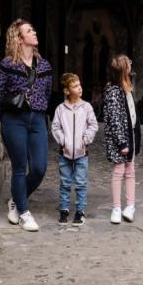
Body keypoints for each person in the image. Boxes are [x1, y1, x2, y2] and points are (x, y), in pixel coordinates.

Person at [0, 19, 53, 232]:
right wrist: (6, 120)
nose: (35, 32)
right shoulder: (8, 65)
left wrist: (38, 110)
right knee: (19, 167)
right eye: (30, 30)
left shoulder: (44, 66)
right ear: (19, 38)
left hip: (37, 120)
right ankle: (24, 214)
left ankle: (16, 201)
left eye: (33, 29)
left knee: (39, 168)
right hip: (14, 120)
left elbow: (46, 93)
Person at [51, 73, 99, 226]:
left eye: (79, 85)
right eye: (75, 86)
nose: (80, 88)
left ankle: (80, 211)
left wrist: (86, 139)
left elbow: (93, 125)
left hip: (82, 153)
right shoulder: (60, 109)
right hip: (64, 153)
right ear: (67, 91)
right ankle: (64, 210)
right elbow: (55, 127)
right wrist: (63, 140)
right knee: (65, 183)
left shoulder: (86, 107)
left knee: (80, 183)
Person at [102, 54, 141, 225]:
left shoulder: (127, 87)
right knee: (119, 172)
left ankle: (130, 206)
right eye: (129, 63)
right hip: (121, 138)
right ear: (123, 69)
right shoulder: (113, 90)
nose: (131, 64)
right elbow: (114, 118)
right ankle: (117, 207)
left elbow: (132, 113)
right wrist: (122, 142)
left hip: (130, 135)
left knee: (131, 171)